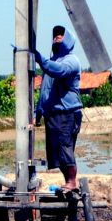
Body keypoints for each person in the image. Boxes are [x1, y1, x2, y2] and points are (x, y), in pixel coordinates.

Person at [33, 25, 82, 192]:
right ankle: (67, 180)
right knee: (55, 151)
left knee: (64, 147)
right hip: (52, 113)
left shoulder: (71, 61)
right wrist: (38, 112)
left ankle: (72, 182)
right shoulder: (51, 62)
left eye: (61, 35)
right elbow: (44, 90)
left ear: (68, 39)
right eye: (55, 35)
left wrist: (40, 59)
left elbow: (60, 71)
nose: (57, 38)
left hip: (67, 112)